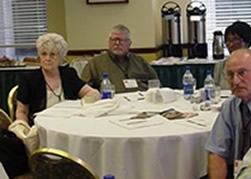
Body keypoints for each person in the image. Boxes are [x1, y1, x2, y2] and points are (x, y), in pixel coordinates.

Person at [0, 33, 100, 178]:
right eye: (44, 54)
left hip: (71, 122)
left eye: (53, 54)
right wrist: (22, 128)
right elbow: (21, 111)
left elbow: (93, 94)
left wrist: (83, 104)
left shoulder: (68, 74)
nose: (47, 58)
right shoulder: (30, 78)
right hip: (41, 128)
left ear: (61, 57)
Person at [205, 49, 251, 179]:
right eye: (230, 75)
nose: (235, 81)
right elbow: (217, 152)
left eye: (242, 73)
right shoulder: (230, 106)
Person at [81, 24, 158, 93]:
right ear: (109, 42)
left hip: (140, 103)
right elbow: (83, 89)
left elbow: (156, 85)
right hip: (110, 104)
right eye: (114, 40)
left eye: (121, 40)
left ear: (129, 44)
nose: (117, 43)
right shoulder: (94, 64)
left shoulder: (140, 62)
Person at [214, 21, 251, 90]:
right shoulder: (220, 66)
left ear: (247, 42)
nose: (231, 45)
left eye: (236, 40)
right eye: (228, 41)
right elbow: (215, 91)